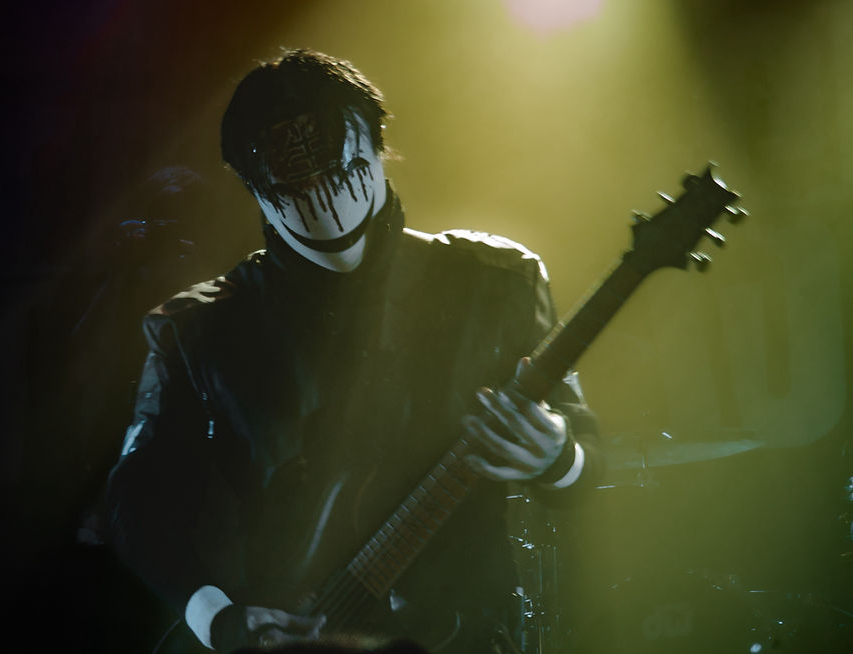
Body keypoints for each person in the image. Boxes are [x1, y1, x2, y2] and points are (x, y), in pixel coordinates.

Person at [107, 49, 603, 654]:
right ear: (252, 188)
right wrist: (219, 617)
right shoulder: (197, 327)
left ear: (377, 149)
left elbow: (585, 466)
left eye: (342, 172)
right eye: (294, 185)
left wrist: (558, 454)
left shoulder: (495, 281)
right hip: (293, 632)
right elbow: (137, 500)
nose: (322, 197)